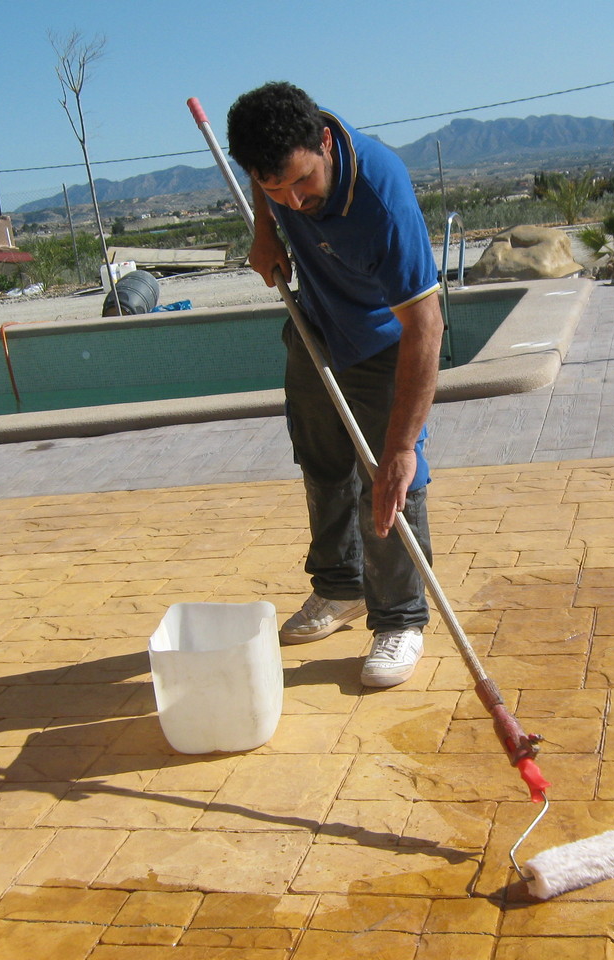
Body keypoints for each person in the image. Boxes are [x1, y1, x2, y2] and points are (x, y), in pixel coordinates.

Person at [226, 82, 443, 688]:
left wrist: (402, 445)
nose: (294, 200)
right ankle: (341, 588)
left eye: (302, 183)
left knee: (391, 477)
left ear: (324, 142)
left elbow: (426, 327)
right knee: (320, 460)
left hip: (382, 342)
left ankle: (400, 617)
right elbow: (272, 187)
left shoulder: (379, 193)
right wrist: (265, 227)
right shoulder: (281, 168)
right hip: (316, 323)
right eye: (275, 189)